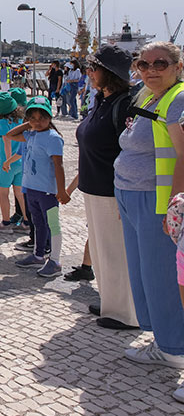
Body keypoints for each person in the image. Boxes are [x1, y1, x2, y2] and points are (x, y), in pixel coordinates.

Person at [113, 41, 184, 378]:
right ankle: (163, 339)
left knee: (161, 277)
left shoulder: (177, 98)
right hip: (132, 194)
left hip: (157, 200)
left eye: (161, 63)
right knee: (144, 275)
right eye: (144, 64)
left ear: (178, 67)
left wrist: (174, 207)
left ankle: (174, 348)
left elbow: (183, 155)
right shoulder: (146, 95)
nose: (151, 69)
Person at [62, 44, 138, 328]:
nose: (88, 74)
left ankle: (126, 313)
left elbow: (129, 150)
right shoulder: (102, 99)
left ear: (109, 73)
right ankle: (111, 303)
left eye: (93, 69)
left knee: (116, 251)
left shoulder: (125, 103)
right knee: (102, 248)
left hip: (112, 190)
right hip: (94, 189)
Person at [5, 96, 67, 278]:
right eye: (33, 118)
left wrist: (61, 190)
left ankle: (55, 260)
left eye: (42, 118)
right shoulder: (31, 134)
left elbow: (58, 165)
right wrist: (28, 124)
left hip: (47, 190)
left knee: (53, 225)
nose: (38, 122)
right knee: (38, 223)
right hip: (31, 188)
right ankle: (39, 255)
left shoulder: (53, 138)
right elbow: (10, 135)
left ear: (50, 117)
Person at [0, 93, 26, 234]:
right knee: (20, 193)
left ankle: (5, 223)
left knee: (3, 193)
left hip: (8, 164)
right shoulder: (21, 119)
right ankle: (26, 222)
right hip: (20, 161)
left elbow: (7, 142)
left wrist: (7, 161)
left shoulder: (4, 122)